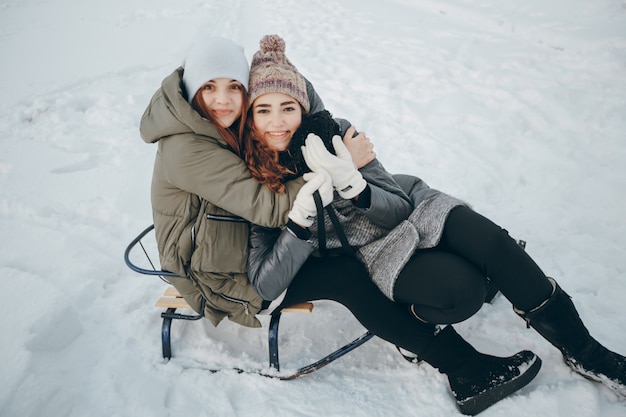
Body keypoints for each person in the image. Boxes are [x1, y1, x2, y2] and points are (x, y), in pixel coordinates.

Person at [243, 35, 626, 415]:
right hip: (373, 252)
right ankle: (434, 324)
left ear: (304, 107)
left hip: (412, 208)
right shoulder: (254, 177)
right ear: (251, 117)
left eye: (287, 107)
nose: (278, 122)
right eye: (264, 110)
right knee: (462, 292)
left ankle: (587, 353)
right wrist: (302, 219)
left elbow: (397, 207)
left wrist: (354, 186)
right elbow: (268, 280)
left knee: (494, 244)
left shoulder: (336, 133)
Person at [139, 36, 372, 329]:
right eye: (209, 86)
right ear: (191, 89)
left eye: (234, 87)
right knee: (346, 275)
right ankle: (438, 352)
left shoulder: (217, 125)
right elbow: (271, 209)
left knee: (353, 251)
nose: (223, 99)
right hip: (219, 278)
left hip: (243, 247)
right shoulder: (188, 149)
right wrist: (339, 164)